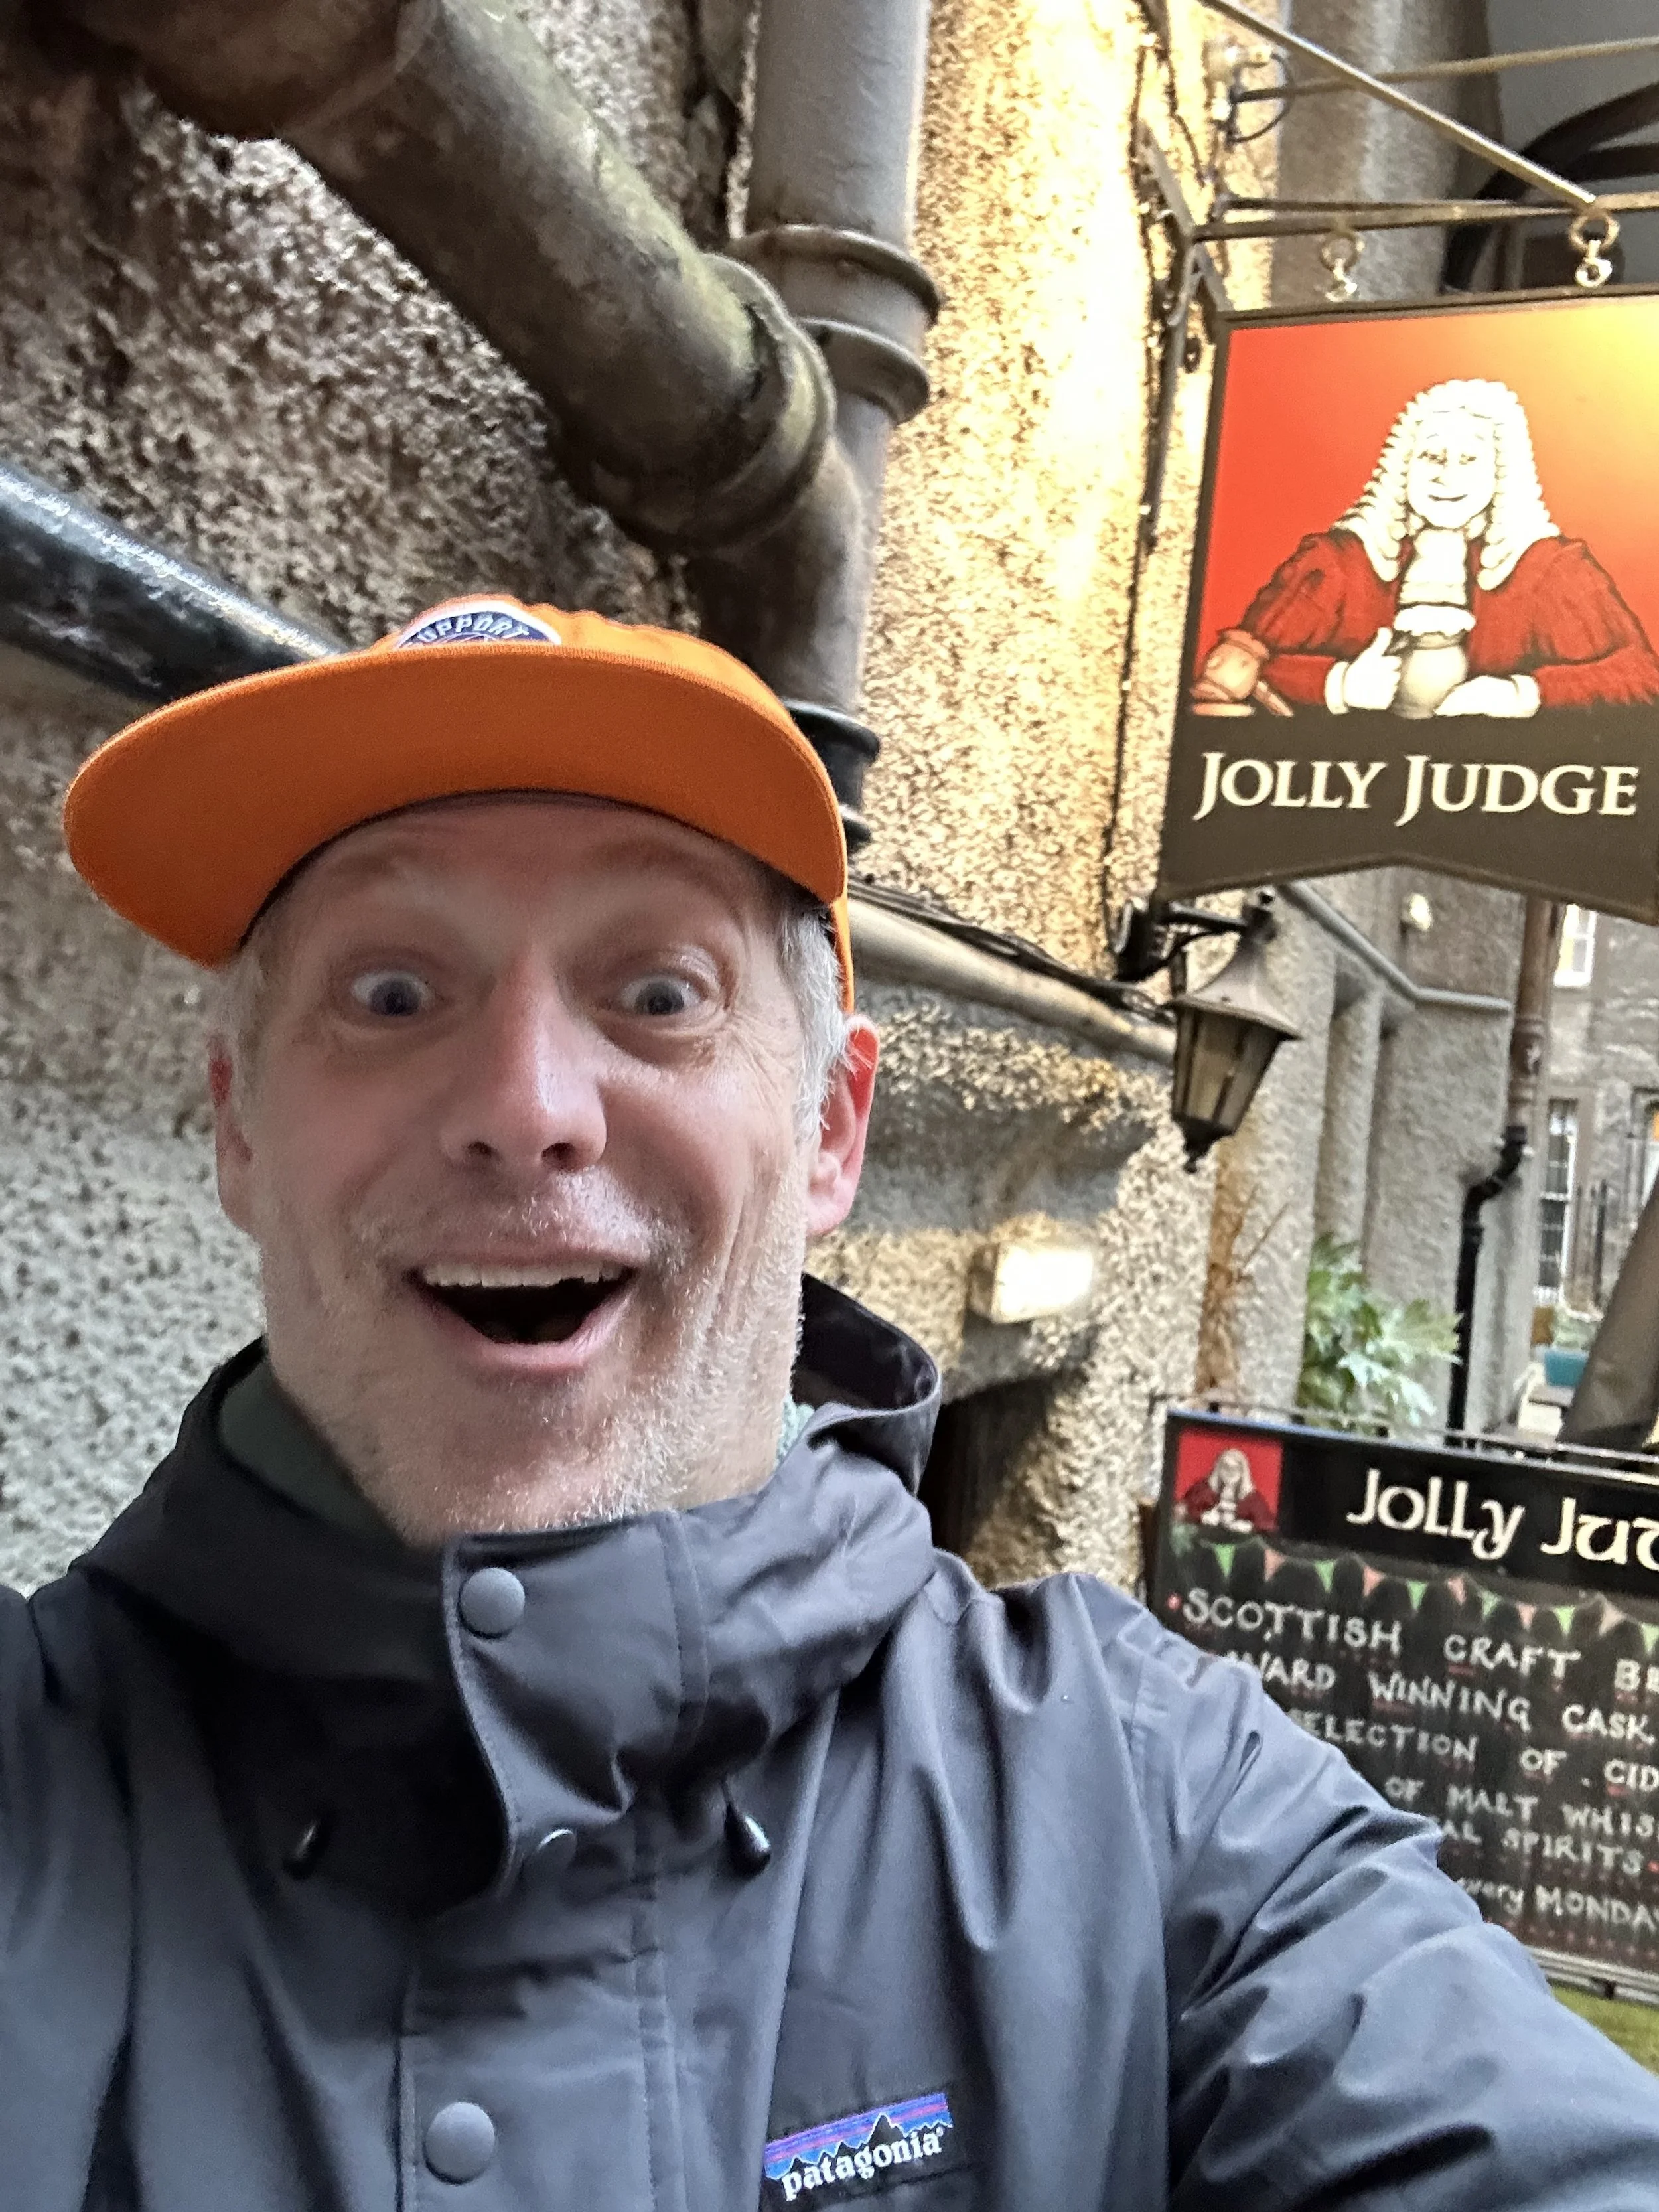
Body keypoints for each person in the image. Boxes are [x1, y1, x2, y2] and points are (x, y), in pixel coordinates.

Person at [9, 591, 1658, 2211]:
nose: (523, 1107)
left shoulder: (1153, 1812)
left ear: (830, 1133)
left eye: (657, 993)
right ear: (236, 1125)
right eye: (389, 994)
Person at [1193, 376, 1659, 719]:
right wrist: (1338, 685)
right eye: (1432, 456)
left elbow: (1641, 678)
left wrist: (1521, 695)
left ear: (1502, 474)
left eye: (1469, 459)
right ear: (1403, 466)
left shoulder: (1551, 572)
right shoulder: (1338, 562)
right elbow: (1234, 670)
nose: (1446, 476)